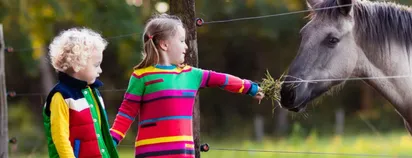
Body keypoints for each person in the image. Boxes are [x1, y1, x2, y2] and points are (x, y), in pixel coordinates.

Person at [110, 13, 264, 158]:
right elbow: (126, 113)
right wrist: (111, 141)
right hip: (150, 152)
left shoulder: (192, 74)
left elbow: (222, 79)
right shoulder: (141, 76)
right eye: (182, 41)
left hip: (182, 153)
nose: (186, 47)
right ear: (164, 44)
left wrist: (250, 88)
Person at [42, 28, 119, 158]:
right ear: (78, 64)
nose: (100, 70)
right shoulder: (61, 96)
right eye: (96, 65)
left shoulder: (93, 92)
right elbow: (60, 137)